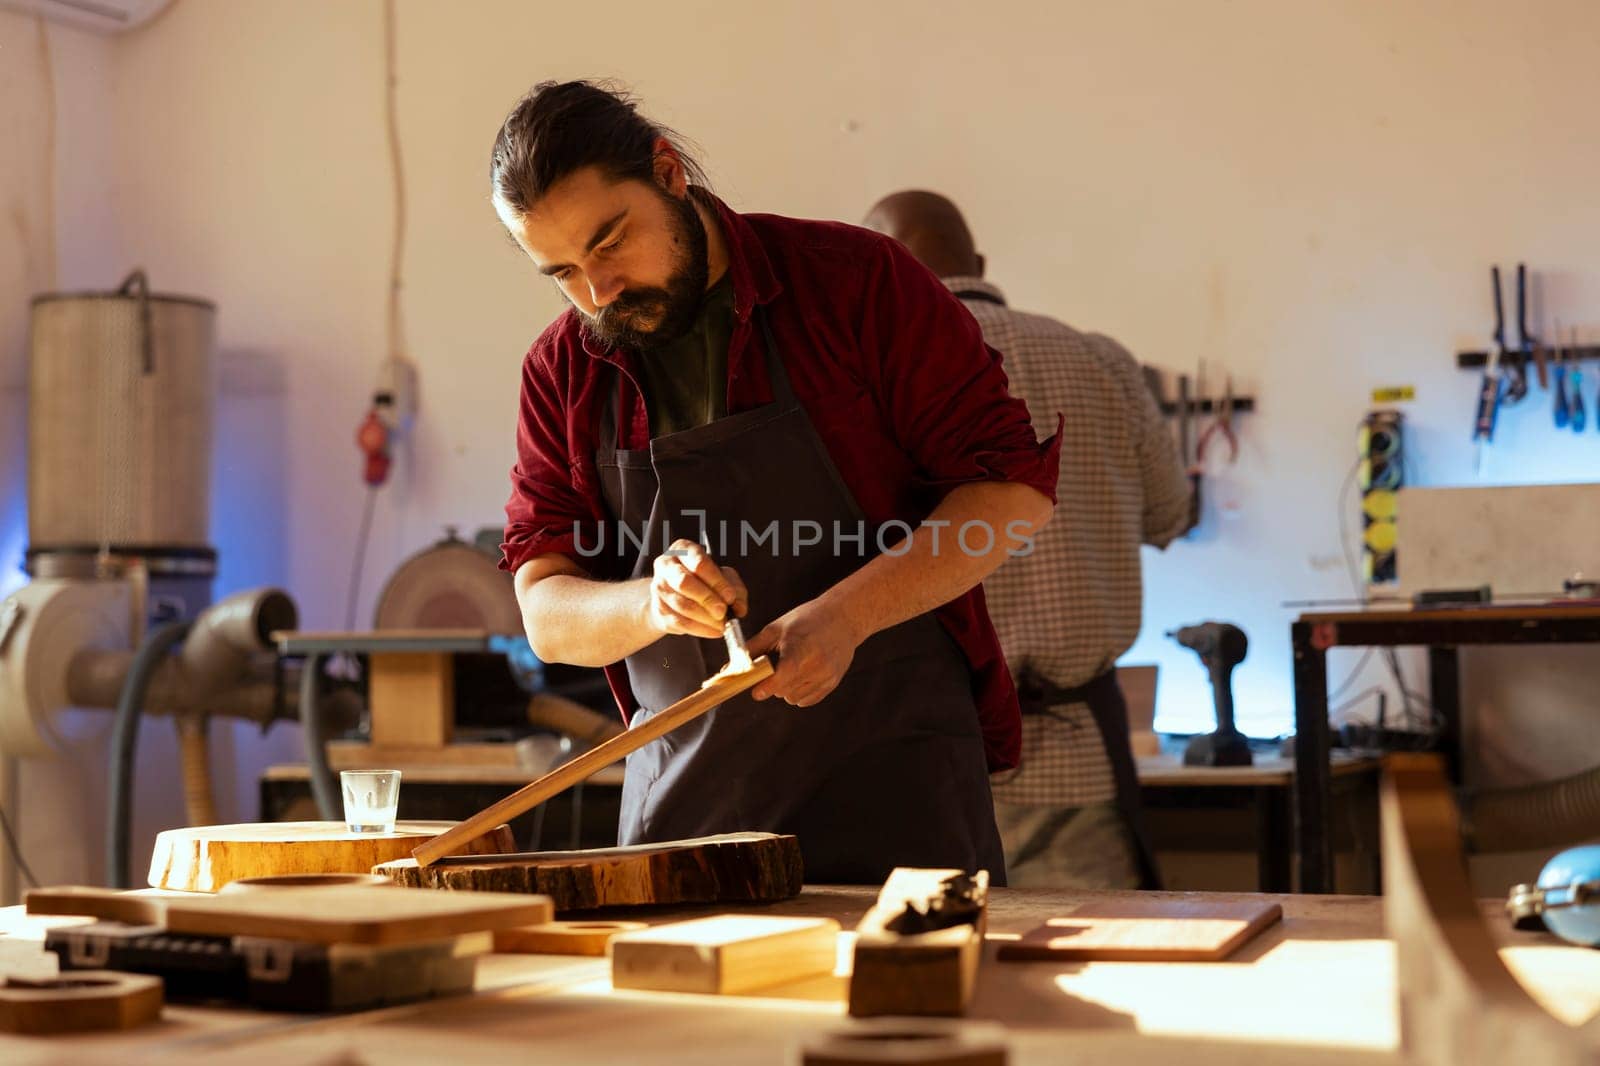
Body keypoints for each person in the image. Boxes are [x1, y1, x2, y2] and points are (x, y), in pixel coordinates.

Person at [493, 82, 1060, 884]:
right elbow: (548, 613)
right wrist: (650, 603)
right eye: (562, 273)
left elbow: (1009, 494)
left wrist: (846, 616)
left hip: (899, 792)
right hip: (687, 817)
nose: (599, 293)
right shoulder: (565, 369)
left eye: (612, 242)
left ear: (668, 173)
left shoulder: (855, 284)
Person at [865, 190, 1190, 889]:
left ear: (882, 271)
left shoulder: (870, 375)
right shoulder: (1101, 360)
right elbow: (1171, 515)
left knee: (938, 976)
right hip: (1081, 761)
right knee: (1103, 971)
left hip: (935, 763)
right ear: (978, 262)